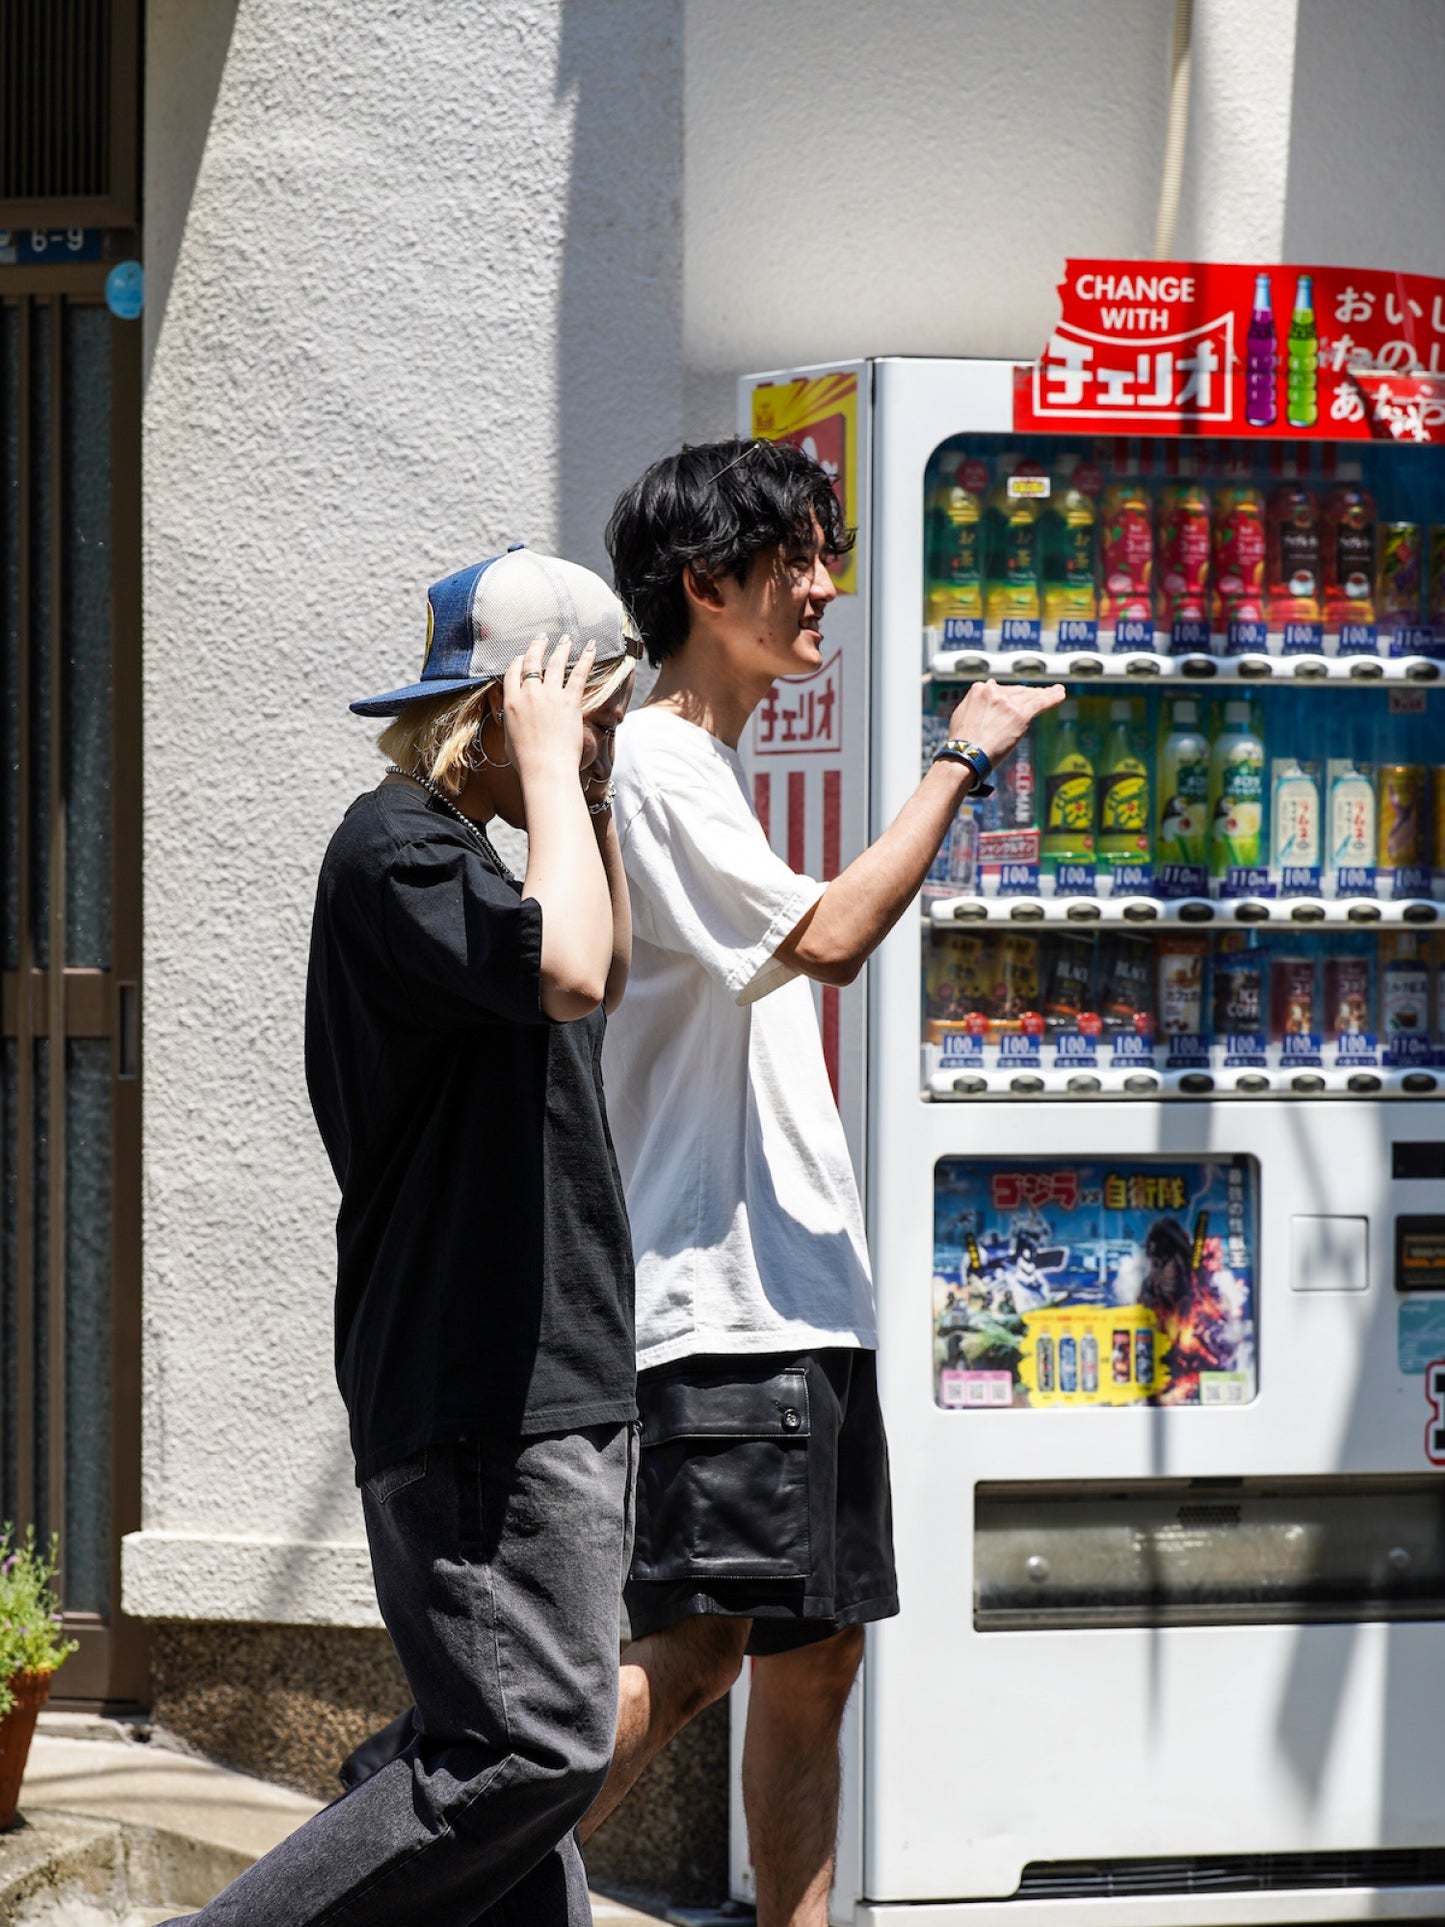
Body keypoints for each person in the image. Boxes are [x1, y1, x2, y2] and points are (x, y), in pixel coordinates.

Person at [579, 440, 1062, 1926]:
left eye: (824, 552)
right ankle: (424, 1857)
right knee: (703, 1649)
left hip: (796, 1296)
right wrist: (959, 757)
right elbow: (835, 936)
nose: (823, 586)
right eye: (791, 560)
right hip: (719, 1299)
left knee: (814, 1654)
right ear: (703, 585)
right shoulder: (660, 759)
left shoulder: (701, 763)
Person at [169, 546, 640, 1927]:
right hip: (473, 1377)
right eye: (587, 711)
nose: (602, 738)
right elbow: (564, 968)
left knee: (511, 1769)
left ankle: (398, 1778)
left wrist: (580, 788)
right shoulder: (397, 851)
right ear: (502, 712)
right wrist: (554, 768)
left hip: (543, 1364)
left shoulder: (476, 865)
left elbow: (595, 961)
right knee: (522, 1751)